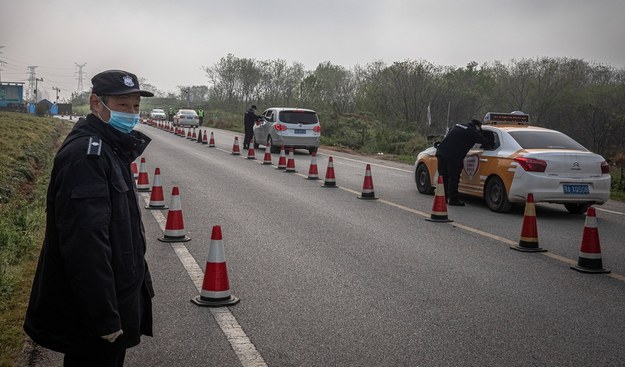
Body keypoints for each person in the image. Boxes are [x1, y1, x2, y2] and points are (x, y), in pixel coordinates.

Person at [24, 69, 155, 367]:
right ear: (97, 104)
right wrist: (105, 318)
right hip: (95, 316)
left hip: (112, 302)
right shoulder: (87, 156)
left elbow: (122, 230)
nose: (132, 113)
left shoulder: (111, 148)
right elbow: (86, 246)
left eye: (136, 106)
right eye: (123, 105)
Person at [435, 118, 494, 206]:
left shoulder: (457, 125)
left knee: (443, 176)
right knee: (454, 177)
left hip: (441, 152)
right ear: (477, 126)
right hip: (453, 155)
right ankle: (453, 199)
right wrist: (489, 138)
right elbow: (486, 142)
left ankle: (442, 197)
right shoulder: (472, 132)